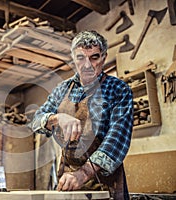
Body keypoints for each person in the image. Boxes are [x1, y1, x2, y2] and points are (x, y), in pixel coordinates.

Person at [31, 30, 133, 199]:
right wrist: (56, 118)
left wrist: (83, 174)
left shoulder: (119, 90)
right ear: (73, 58)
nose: (87, 65)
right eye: (80, 58)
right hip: (68, 179)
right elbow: (35, 121)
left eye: (94, 57)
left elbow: (117, 139)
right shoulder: (62, 89)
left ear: (104, 57)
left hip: (105, 182)